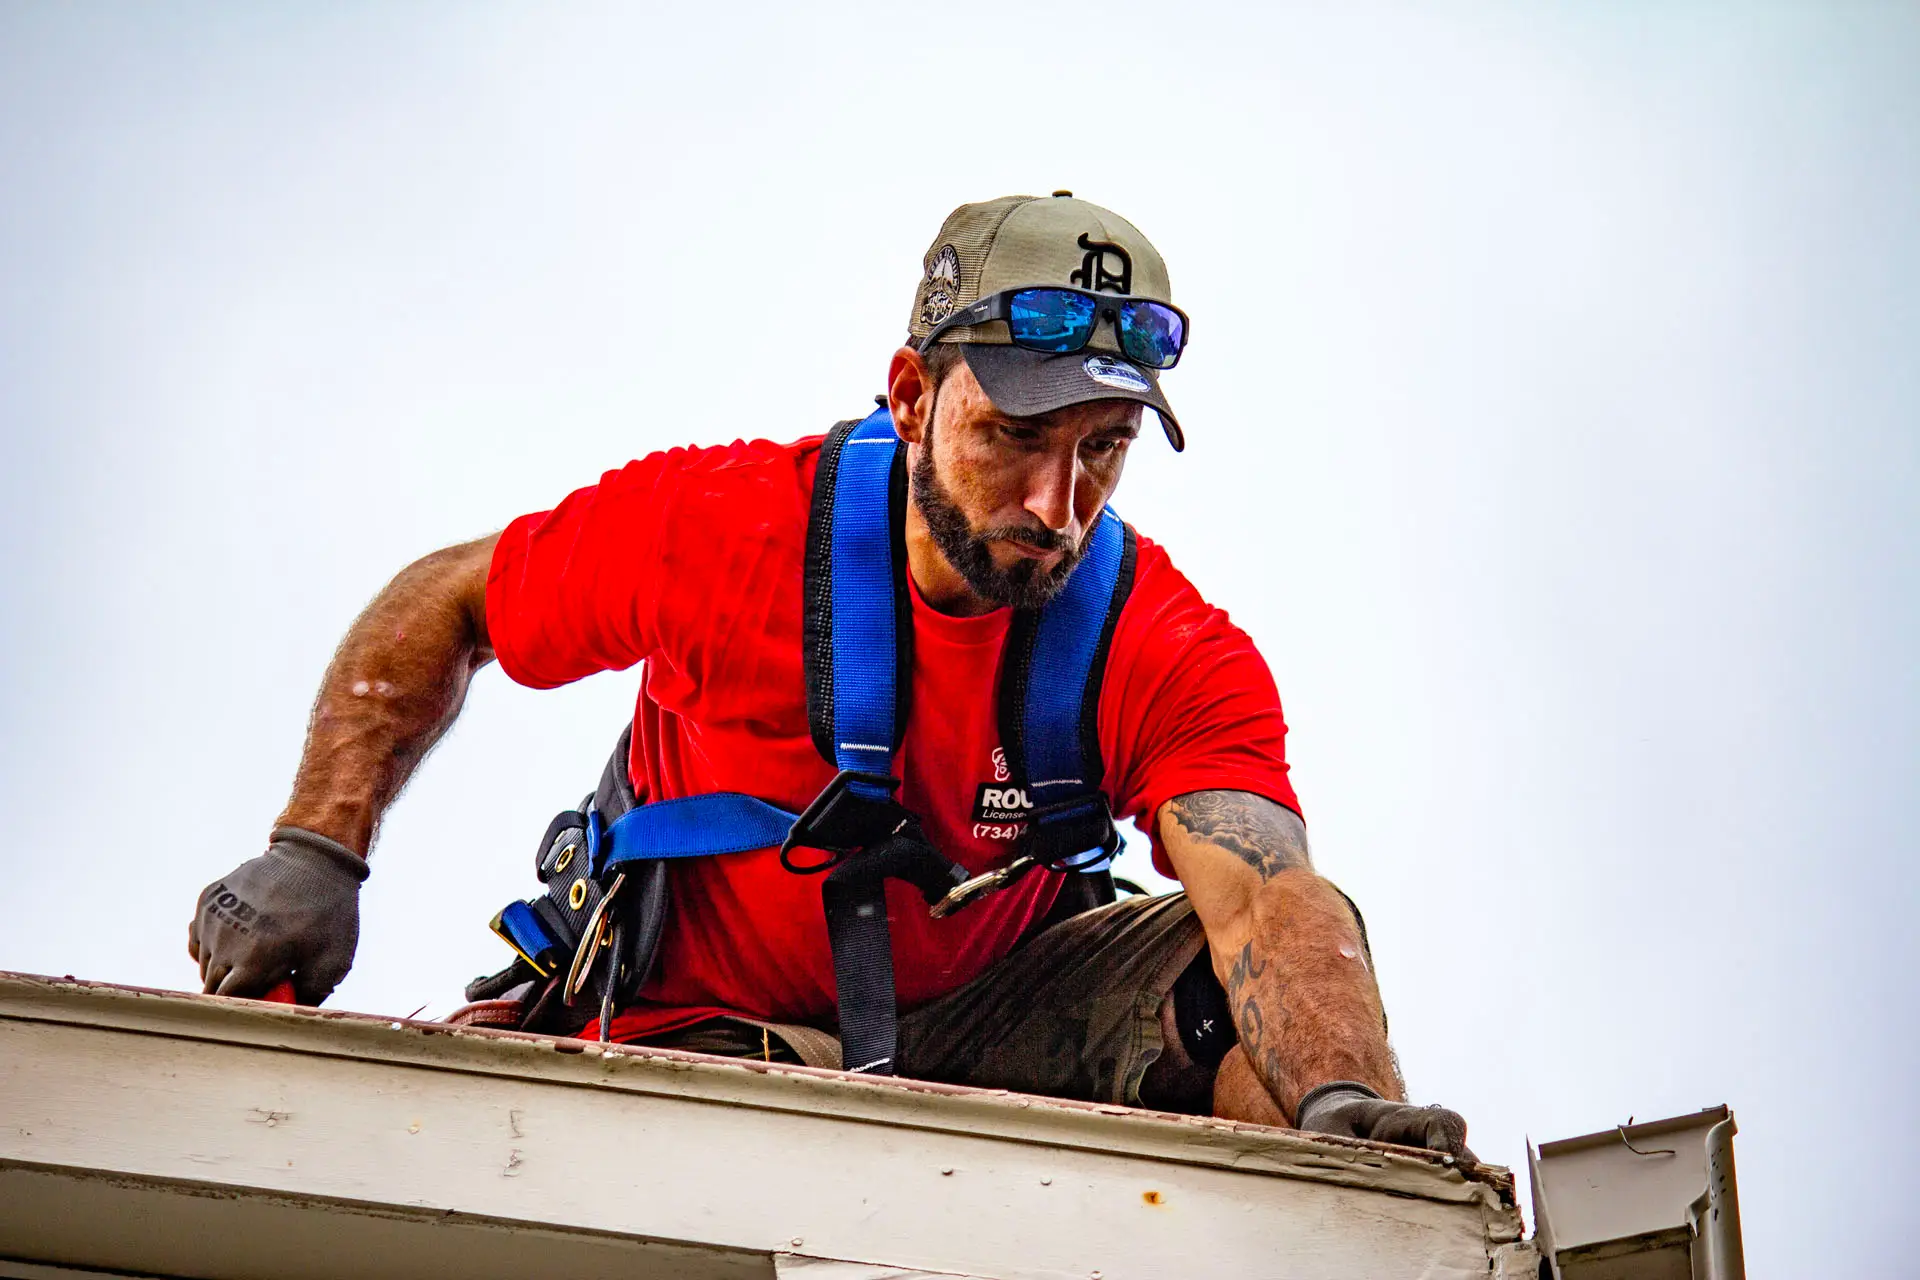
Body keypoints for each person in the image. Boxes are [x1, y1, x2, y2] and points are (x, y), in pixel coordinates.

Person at [188, 193, 1471, 1155]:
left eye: (1103, 448)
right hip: (692, 1037)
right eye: (1012, 435)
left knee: (1272, 983)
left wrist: (1348, 1110)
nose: (1054, 502)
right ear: (911, 395)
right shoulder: (719, 531)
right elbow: (451, 597)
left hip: (998, 1024)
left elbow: (1267, 905)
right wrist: (316, 849)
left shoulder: (1167, 646)